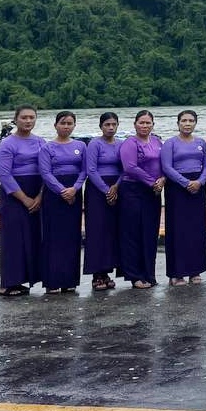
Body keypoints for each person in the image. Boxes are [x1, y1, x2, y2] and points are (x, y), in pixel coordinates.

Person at [0, 105, 45, 297]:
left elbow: (47, 169)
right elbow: (4, 175)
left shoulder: (40, 142)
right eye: (24, 117)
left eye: (32, 117)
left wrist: (40, 195)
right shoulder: (7, 144)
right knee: (13, 239)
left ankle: (24, 279)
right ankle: (8, 283)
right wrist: (25, 199)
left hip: (36, 190)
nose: (28, 121)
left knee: (32, 238)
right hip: (14, 194)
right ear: (16, 119)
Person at [38, 111, 87, 294]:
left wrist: (75, 188)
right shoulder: (47, 147)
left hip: (74, 193)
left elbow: (84, 170)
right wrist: (62, 191)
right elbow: (45, 173)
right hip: (54, 195)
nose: (66, 126)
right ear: (55, 125)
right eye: (63, 123)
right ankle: (52, 281)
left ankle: (69, 280)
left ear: (74, 125)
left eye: (70, 123)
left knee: (72, 237)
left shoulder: (81, 146)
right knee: (53, 237)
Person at [161, 109, 206, 285]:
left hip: (198, 188)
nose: (187, 124)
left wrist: (200, 182)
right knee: (178, 230)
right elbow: (166, 167)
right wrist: (185, 183)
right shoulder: (170, 143)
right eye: (184, 120)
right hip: (177, 189)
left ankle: (195, 270)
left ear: (195, 123)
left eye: (191, 121)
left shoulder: (201, 143)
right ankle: (177, 273)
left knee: (196, 229)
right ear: (178, 123)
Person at [119, 110, 165, 289]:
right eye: (141, 122)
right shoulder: (130, 143)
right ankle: (135, 276)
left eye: (148, 123)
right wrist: (152, 182)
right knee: (133, 233)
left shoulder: (157, 141)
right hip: (133, 191)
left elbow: (163, 164)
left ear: (153, 124)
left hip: (153, 192)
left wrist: (163, 179)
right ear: (135, 124)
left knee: (150, 233)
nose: (145, 126)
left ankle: (149, 274)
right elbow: (130, 167)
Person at [84, 112, 123, 291]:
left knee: (112, 232)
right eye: (107, 124)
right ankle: (97, 274)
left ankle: (107, 271)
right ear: (101, 126)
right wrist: (107, 190)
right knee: (97, 231)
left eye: (114, 124)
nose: (111, 128)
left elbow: (125, 168)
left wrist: (116, 186)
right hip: (97, 190)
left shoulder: (121, 144)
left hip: (116, 187)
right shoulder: (95, 144)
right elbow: (91, 170)